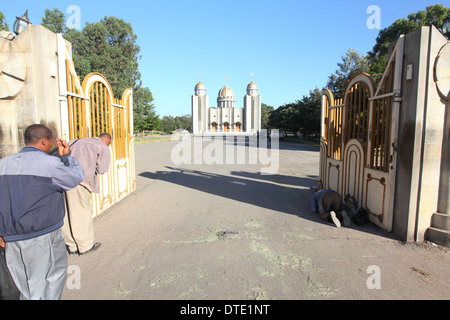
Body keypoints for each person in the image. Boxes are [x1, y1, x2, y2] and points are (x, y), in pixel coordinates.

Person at [0, 124, 84, 300]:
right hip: (42, 235)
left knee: (25, 286)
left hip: (11, 238)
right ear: (45, 141)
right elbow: (75, 177)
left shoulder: (3, 164)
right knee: (50, 280)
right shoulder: (50, 164)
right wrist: (67, 157)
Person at [61, 133, 112, 256]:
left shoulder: (74, 141)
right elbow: (102, 169)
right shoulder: (101, 146)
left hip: (63, 179)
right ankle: (85, 245)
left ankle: (71, 245)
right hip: (81, 181)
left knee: (66, 213)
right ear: (108, 141)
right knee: (81, 212)